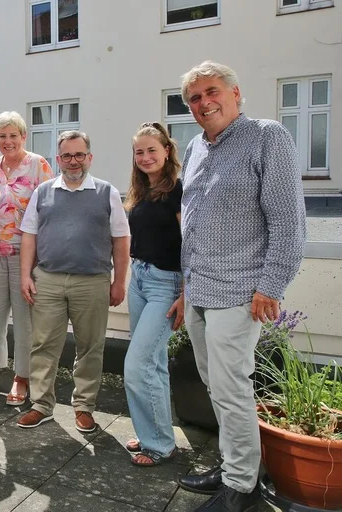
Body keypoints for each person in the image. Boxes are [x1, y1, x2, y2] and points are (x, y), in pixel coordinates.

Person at [175, 61, 306, 512]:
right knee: (217, 388)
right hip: (199, 289)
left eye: (212, 91)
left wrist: (272, 284)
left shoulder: (268, 137)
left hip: (241, 291)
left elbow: (288, 220)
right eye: (194, 97)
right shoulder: (194, 147)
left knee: (232, 389)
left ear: (235, 93)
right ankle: (236, 465)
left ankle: (241, 485)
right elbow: (191, 219)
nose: (204, 102)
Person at [17, 131, 130, 432]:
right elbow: (29, 235)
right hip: (48, 280)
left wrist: (119, 281)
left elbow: (121, 239)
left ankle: (84, 406)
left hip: (92, 282)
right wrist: (25, 275)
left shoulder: (107, 193)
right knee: (43, 345)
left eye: (80, 155)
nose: (74, 161)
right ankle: (41, 405)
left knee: (90, 346)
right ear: (58, 159)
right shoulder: (43, 192)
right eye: (67, 156)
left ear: (89, 157)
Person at [0, 111, 54, 405]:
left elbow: (50, 212)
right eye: (1, 136)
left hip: (25, 255)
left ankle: (22, 377)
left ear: (23, 136)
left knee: (25, 318)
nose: (7, 141)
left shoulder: (38, 165)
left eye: (12, 135)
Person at [122, 122, 184, 467]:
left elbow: (191, 244)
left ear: (166, 151)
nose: (145, 157)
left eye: (151, 150)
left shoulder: (178, 189)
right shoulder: (140, 190)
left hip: (167, 283)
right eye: (139, 151)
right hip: (140, 278)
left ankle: (159, 444)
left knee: (138, 363)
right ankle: (154, 433)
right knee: (154, 364)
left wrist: (186, 294)